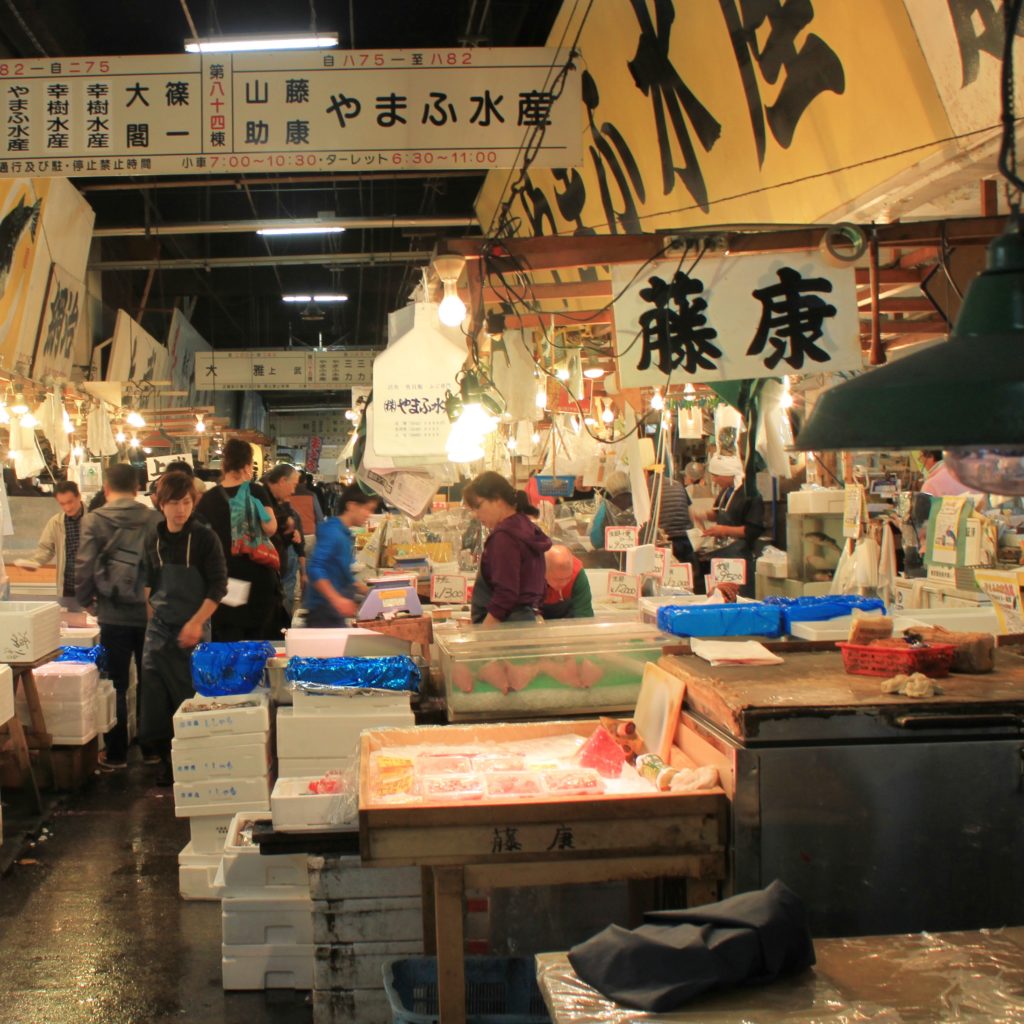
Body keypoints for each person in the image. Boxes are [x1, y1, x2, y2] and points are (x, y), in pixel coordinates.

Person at [140, 471, 227, 785]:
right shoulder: (152, 537)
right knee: (153, 696)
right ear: (160, 504)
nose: (181, 509)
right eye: (174, 502)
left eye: (186, 502)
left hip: (195, 626)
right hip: (160, 629)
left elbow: (218, 587)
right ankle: (166, 760)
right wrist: (151, 618)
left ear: (194, 502)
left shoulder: (205, 538)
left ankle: (192, 761)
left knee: (188, 696)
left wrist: (196, 623)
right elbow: (148, 581)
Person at [75, 463, 161, 770]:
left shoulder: (94, 520)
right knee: (150, 680)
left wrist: (85, 601)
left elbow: (84, 564)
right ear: (137, 489)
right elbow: (162, 566)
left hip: (112, 613)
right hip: (150, 614)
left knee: (115, 683)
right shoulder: (154, 518)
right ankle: (152, 749)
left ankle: (116, 753)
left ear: (107, 488)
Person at [195, 439, 279, 641]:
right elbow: (270, 528)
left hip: (223, 579)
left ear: (224, 465)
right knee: (256, 639)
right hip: (257, 575)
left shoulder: (209, 498)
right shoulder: (256, 492)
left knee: (227, 641)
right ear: (248, 466)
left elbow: (201, 541)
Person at [463, 471, 552, 626]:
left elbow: (506, 595)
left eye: (478, 506)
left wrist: (483, 636)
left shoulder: (504, 537)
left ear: (497, 499)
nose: (476, 515)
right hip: (525, 624)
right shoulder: (525, 526)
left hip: (506, 629)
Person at [302, 484, 378, 627]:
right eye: (367, 509)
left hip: (333, 612)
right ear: (351, 506)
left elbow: (341, 573)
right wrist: (337, 600)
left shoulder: (343, 532)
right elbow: (315, 568)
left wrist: (370, 591)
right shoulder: (333, 531)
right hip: (323, 613)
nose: (369, 515)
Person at [692, 454, 765, 598]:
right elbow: (719, 513)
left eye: (716, 476)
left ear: (728, 474)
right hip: (722, 554)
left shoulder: (751, 494)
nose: (714, 480)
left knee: (739, 596)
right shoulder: (726, 491)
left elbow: (752, 530)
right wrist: (703, 515)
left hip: (740, 555)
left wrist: (723, 530)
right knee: (722, 595)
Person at [19, 480, 85, 600]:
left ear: (79, 496)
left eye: (70, 502)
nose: (68, 508)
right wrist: (35, 562)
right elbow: (46, 549)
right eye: (62, 504)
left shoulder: (94, 519)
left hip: (91, 590)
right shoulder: (56, 522)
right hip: (67, 589)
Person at [262, 464, 305, 618]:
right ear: (281, 481)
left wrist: (292, 532)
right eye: (293, 485)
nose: (293, 491)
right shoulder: (260, 496)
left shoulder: (278, 503)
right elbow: (269, 531)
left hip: (276, 571)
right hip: (264, 575)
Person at [541, 544, 594, 619]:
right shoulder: (530, 574)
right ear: (544, 571)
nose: (564, 584)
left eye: (568, 578)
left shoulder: (577, 574)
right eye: (558, 579)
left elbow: (584, 615)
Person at [588, 471, 634, 549]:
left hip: (610, 555)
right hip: (638, 553)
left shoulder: (606, 506)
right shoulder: (639, 503)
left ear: (609, 488)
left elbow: (596, 540)